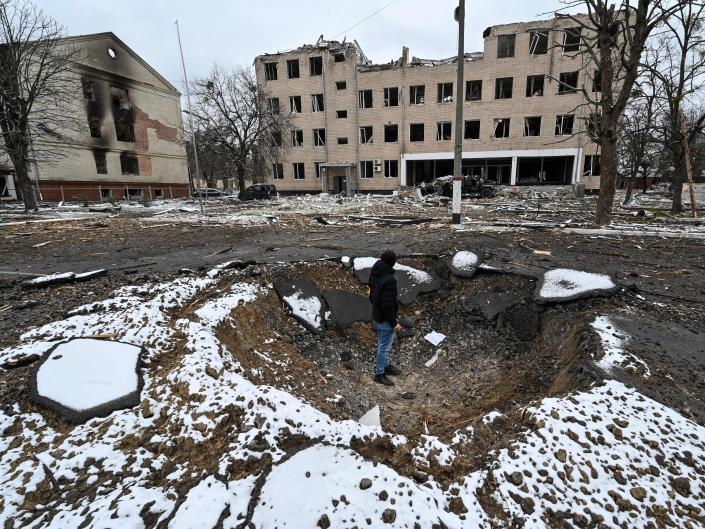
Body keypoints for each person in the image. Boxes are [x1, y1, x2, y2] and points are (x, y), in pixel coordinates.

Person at [368, 250, 403, 386]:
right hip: (385, 318)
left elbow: (371, 293)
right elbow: (388, 305)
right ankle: (380, 373)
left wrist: (376, 309)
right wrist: (394, 323)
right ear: (392, 262)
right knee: (384, 347)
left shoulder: (375, 272)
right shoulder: (389, 280)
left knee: (384, 344)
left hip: (377, 314)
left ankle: (386, 365)